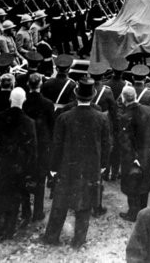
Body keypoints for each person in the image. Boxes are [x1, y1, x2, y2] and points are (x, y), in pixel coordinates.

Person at [43, 78, 111, 248]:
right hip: (90, 167)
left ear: (76, 96)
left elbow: (56, 145)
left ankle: (52, 237)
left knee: (60, 202)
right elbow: (106, 144)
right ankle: (78, 241)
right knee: (85, 204)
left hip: (67, 166)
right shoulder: (101, 118)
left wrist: (52, 168)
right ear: (92, 97)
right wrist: (103, 165)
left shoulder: (64, 117)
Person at [0, 87, 37, 240]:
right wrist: (29, 170)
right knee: (14, 197)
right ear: (24, 101)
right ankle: (9, 228)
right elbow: (32, 149)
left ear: (10, 100)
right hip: (17, 167)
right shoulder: (29, 123)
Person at [118, 86, 150, 222]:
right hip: (146, 154)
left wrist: (134, 158)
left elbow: (126, 141)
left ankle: (133, 214)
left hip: (132, 156)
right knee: (144, 183)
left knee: (132, 185)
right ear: (135, 96)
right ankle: (143, 211)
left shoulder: (125, 116)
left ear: (123, 98)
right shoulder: (149, 110)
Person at [22, 73, 55, 222]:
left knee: (24, 177)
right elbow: (51, 126)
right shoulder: (48, 104)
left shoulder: (23, 102)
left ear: (28, 85)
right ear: (40, 84)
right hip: (42, 145)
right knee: (40, 180)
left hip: (26, 145)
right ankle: (38, 212)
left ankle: (26, 211)